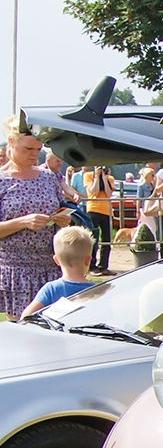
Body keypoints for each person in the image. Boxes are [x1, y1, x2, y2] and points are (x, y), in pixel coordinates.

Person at [0, 115, 75, 318]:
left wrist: (62, 221)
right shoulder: (2, 180)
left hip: (50, 267)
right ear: (12, 142)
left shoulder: (49, 178)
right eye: (28, 149)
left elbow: (62, 212)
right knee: (21, 332)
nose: (34, 155)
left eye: (37, 149)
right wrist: (23, 222)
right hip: (15, 271)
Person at [20, 226, 95, 317]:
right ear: (88, 260)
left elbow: (26, 316)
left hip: (57, 331)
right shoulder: (97, 290)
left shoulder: (51, 289)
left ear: (56, 260)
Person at [82, 163, 115, 272]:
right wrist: (96, 176)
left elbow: (109, 194)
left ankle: (103, 266)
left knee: (107, 239)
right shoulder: (88, 176)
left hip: (106, 211)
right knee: (92, 239)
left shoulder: (110, 178)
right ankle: (91, 265)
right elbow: (94, 191)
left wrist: (105, 179)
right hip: (93, 210)